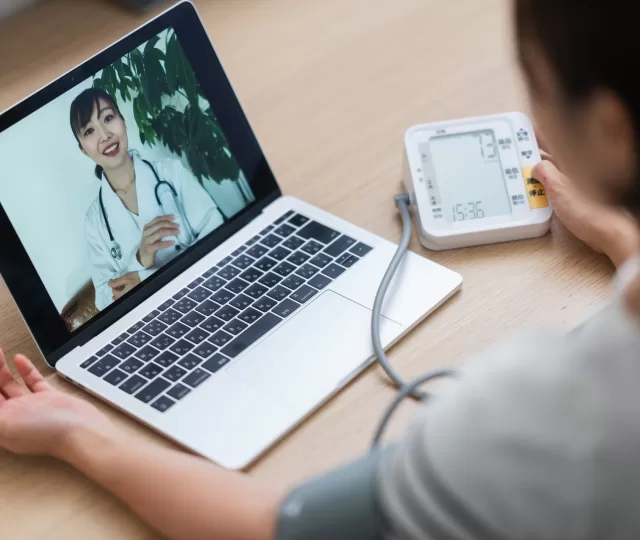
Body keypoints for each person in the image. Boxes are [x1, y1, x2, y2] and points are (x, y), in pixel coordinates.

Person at [3, 1, 640, 538]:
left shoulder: (534, 419)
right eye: (89, 130)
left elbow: (279, 525)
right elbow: (110, 278)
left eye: (532, 74)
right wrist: (622, 234)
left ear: (612, 131)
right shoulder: (96, 216)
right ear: (83, 145)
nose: (104, 132)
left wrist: (81, 435)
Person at [71, 88, 225, 310]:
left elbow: (216, 231)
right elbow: (104, 299)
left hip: (210, 288)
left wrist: (144, 277)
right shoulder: (94, 222)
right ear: (84, 150)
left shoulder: (171, 172)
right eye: (89, 131)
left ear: (122, 121)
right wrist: (141, 259)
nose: (105, 135)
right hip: (156, 316)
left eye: (108, 118)